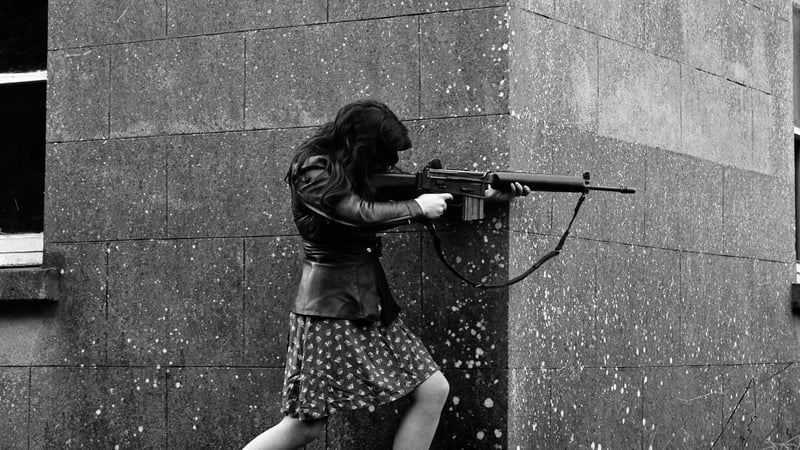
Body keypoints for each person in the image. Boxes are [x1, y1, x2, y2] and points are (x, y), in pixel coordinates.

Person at [243, 99, 529, 450]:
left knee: (433, 390)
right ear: (362, 146)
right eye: (385, 154)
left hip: (369, 304)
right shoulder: (313, 167)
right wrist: (417, 208)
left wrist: (486, 194)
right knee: (305, 426)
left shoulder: (355, 168)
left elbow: (412, 190)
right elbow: (353, 212)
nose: (392, 163)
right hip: (332, 308)